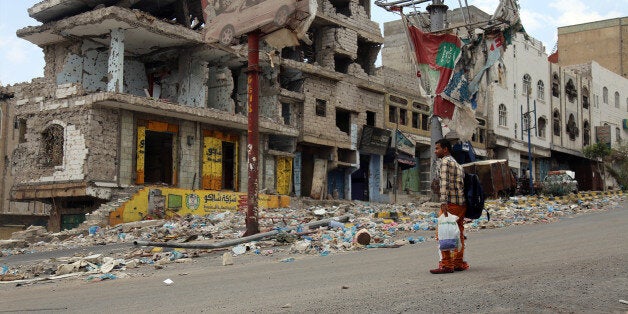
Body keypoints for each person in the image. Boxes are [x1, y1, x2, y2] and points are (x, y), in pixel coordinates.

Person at [430, 138, 469, 274]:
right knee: (458, 232)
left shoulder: (445, 162)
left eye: (437, 148)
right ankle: (458, 262)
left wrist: (443, 202)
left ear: (445, 149)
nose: (435, 151)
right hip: (461, 204)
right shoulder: (457, 163)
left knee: (443, 232)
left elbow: (444, 183)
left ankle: (447, 265)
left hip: (451, 203)